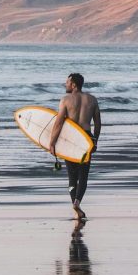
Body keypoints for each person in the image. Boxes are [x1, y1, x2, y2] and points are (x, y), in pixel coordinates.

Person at [48, 72, 101, 220]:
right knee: (83, 175)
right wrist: (95, 140)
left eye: (67, 82)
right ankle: (77, 202)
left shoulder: (65, 100)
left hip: (71, 139)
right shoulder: (92, 100)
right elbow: (97, 123)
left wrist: (52, 143)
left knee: (72, 176)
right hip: (86, 138)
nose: (66, 84)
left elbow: (58, 123)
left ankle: (74, 204)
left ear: (74, 84)